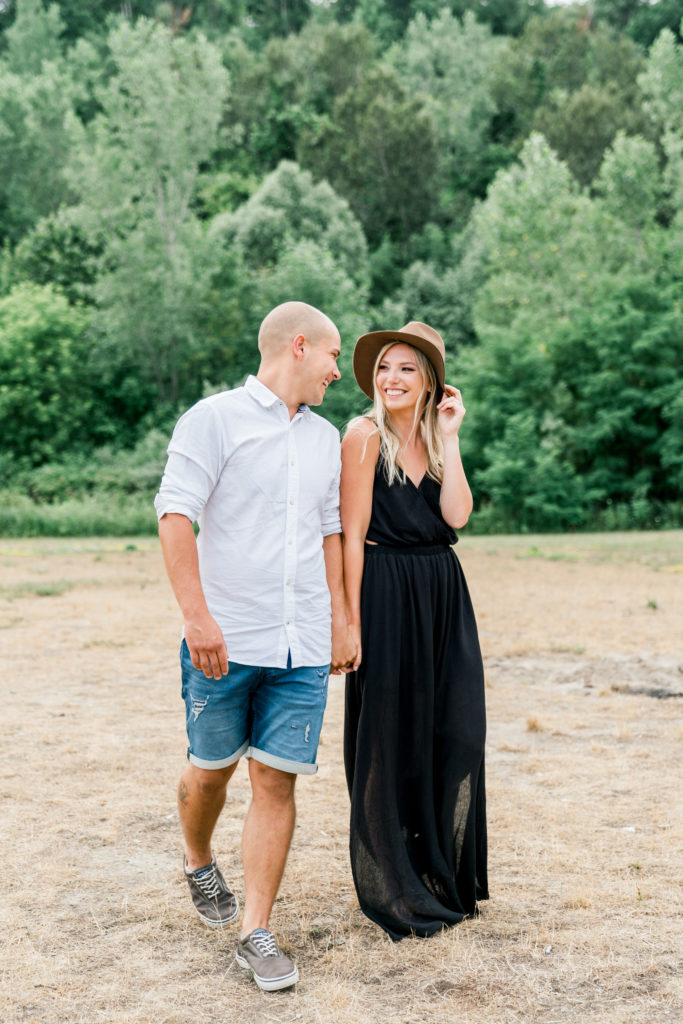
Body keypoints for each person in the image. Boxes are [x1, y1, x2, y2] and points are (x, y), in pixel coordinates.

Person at [154, 301, 356, 990]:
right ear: (298, 346)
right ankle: (196, 856)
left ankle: (256, 932)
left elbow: (331, 530)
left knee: (275, 779)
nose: (338, 369)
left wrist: (340, 619)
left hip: (300, 641)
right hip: (225, 637)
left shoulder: (325, 436)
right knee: (210, 770)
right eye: (332, 354)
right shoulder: (212, 419)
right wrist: (196, 617)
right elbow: (174, 514)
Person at [340, 321, 488, 940]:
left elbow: (457, 514)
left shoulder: (436, 433)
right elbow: (348, 533)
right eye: (384, 368)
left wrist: (450, 439)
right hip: (383, 588)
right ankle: (393, 883)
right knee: (389, 736)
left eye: (407, 368)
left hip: (442, 590)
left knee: (456, 728)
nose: (391, 379)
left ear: (430, 381)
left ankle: (438, 871)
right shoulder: (362, 434)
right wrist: (347, 620)